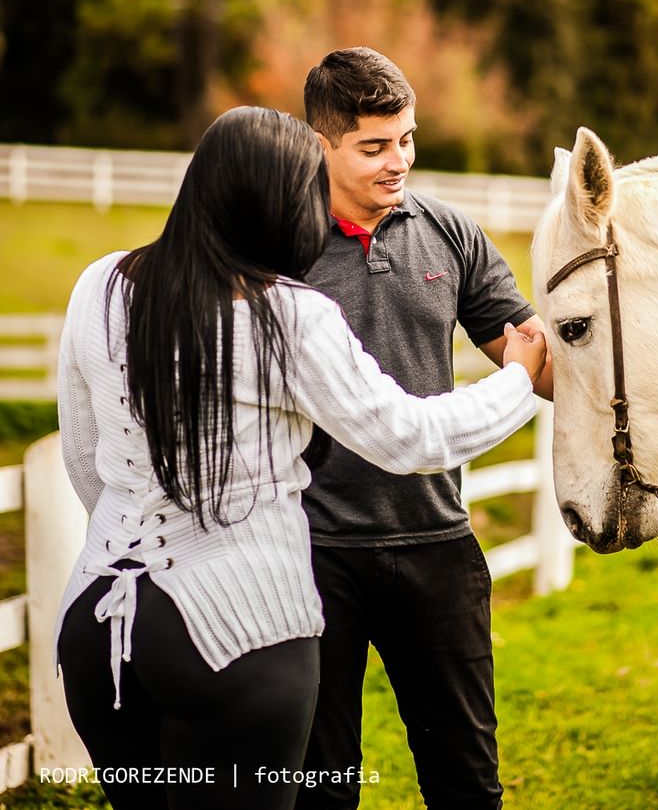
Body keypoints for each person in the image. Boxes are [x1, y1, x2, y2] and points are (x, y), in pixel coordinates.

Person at [55, 106, 546, 810]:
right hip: (236, 632)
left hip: (103, 622)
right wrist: (518, 381)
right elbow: (411, 436)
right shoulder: (288, 314)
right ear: (278, 200)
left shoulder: (101, 285)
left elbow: (86, 456)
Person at [298, 48, 553, 810]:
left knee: (467, 780)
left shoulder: (450, 234)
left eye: (406, 138)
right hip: (310, 551)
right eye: (374, 146)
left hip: (436, 542)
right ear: (321, 144)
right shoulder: (279, 242)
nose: (398, 160)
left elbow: (533, 358)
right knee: (320, 786)